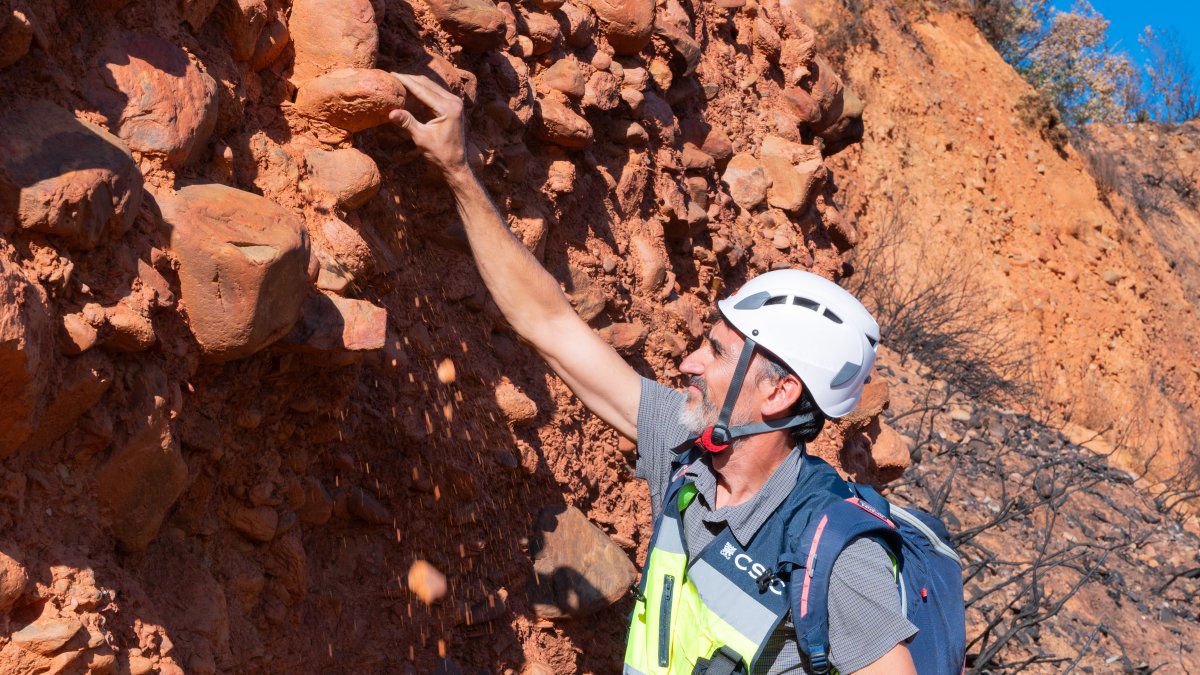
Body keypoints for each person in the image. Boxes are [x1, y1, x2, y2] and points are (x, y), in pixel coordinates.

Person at [385, 73, 918, 675]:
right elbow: (551, 325)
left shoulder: (835, 554)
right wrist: (458, 172)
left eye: (716, 353)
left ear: (780, 390)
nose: (687, 362)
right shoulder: (686, 447)